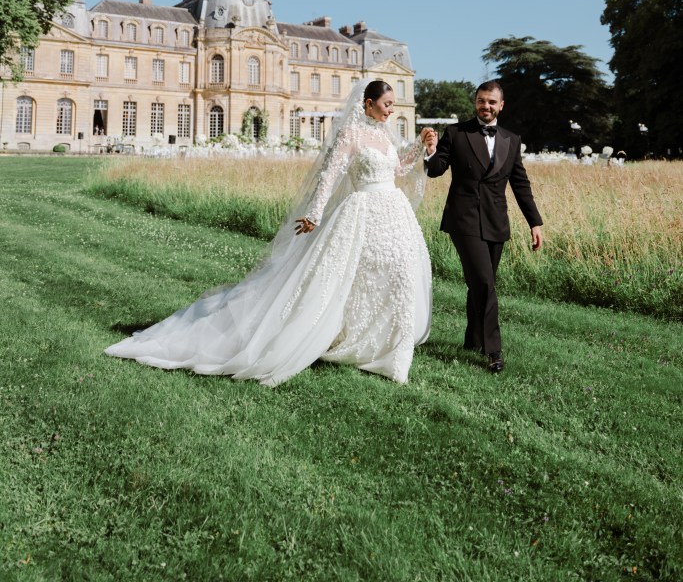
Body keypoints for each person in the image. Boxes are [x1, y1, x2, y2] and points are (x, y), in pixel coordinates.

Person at [105, 80, 433, 387]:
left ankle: (388, 349)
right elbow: (329, 175)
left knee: (396, 275)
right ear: (368, 104)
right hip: (361, 212)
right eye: (387, 104)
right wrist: (315, 214)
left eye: (393, 105)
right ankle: (347, 341)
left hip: (393, 212)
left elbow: (398, 168)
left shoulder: (386, 134)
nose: (391, 110)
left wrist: (420, 146)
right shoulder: (351, 134)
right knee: (344, 278)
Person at [423, 80, 543, 373]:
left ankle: (472, 339)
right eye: (480, 101)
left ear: (501, 105)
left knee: (480, 284)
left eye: (491, 102)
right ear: (474, 102)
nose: (485, 106)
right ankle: (494, 350)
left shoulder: (511, 139)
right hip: (463, 219)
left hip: (496, 221)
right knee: (485, 283)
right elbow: (436, 170)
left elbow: (520, 183)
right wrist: (430, 150)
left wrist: (535, 222)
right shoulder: (456, 132)